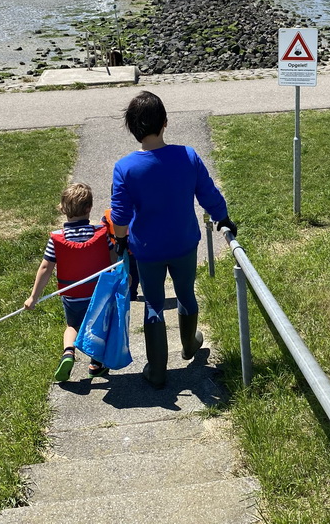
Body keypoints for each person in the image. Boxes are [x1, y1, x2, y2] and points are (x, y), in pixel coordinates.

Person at [110, 91, 236, 389]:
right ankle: (190, 344)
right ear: (165, 122)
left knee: (153, 303)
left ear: (132, 128)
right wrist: (223, 217)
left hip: (147, 248)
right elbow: (208, 193)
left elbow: (120, 214)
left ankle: (157, 370)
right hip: (183, 242)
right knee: (186, 293)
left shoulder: (125, 168)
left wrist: (120, 241)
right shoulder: (188, 156)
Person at [25, 182, 113, 381]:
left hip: (72, 296)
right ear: (89, 208)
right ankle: (95, 364)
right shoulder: (100, 233)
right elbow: (113, 258)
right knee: (96, 327)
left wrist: (33, 297)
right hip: (97, 293)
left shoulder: (57, 238)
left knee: (72, 326)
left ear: (63, 209)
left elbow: (46, 268)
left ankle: (68, 353)